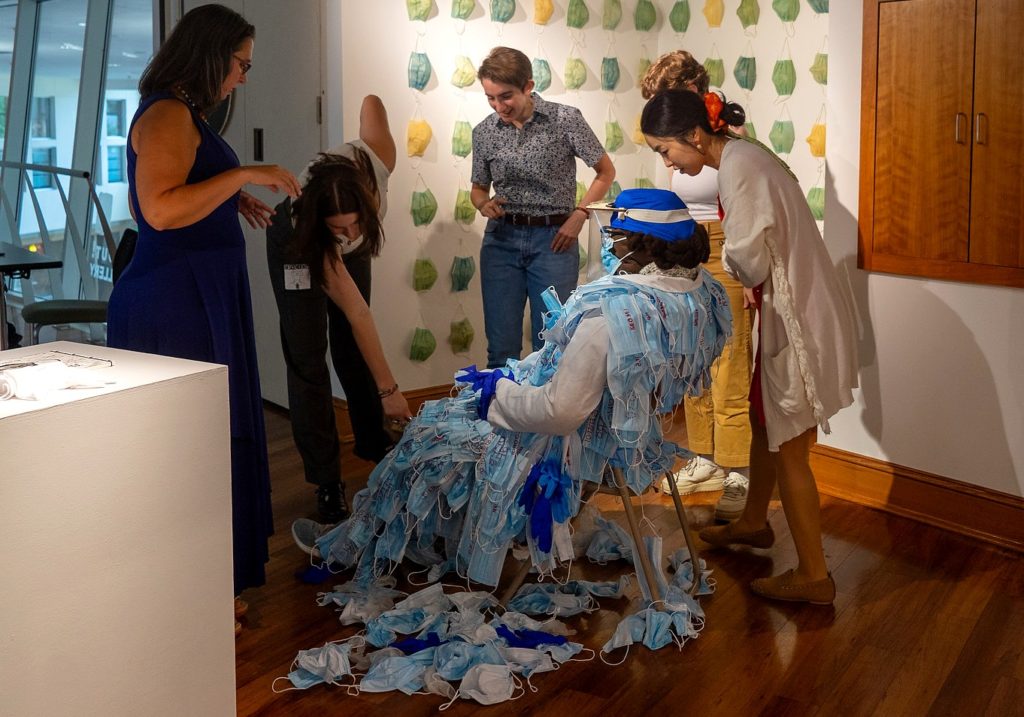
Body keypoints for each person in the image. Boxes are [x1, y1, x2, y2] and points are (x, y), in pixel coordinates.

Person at [292, 189, 731, 591]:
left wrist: (495, 396)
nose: (609, 243)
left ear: (642, 243)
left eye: (615, 235)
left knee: (425, 434)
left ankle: (353, 544)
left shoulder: (610, 312)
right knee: (444, 420)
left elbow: (561, 412)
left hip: (571, 445)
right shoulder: (701, 292)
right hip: (628, 433)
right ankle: (434, 538)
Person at [106, 4, 301, 625]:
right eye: (240, 64)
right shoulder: (166, 112)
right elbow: (159, 211)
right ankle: (187, 583)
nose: (242, 78)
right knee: (188, 444)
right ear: (213, 55)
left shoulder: (183, 113)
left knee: (208, 438)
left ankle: (208, 579)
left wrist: (228, 196)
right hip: (176, 299)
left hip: (199, 290)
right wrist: (244, 171)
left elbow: (185, 188)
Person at [641, 90, 858, 605]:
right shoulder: (745, 153)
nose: (666, 161)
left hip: (797, 316)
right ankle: (755, 521)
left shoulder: (738, 167)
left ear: (695, 135)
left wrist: (720, 271)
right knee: (766, 422)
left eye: (665, 150)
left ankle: (814, 576)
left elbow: (750, 262)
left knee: (792, 449)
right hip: (791, 308)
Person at [266, 94, 412, 524]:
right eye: (341, 229)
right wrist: (392, 391)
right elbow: (358, 311)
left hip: (336, 220)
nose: (349, 234)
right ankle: (326, 480)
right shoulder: (306, 224)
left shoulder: (377, 158)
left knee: (352, 347)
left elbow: (370, 103)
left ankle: (374, 442)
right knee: (307, 354)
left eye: (355, 225)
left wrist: (385, 393)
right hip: (298, 244)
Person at [641, 50, 754, 522]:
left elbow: (743, 202)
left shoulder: (731, 138)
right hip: (688, 243)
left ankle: (739, 471)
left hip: (727, 247)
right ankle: (705, 459)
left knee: (729, 362)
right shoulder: (676, 141)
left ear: (692, 90)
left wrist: (749, 274)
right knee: (693, 357)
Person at [471, 46, 616, 368]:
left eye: (505, 96)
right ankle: (503, 417)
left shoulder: (566, 119)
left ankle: (546, 418)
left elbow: (606, 172)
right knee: (500, 347)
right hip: (501, 240)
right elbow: (478, 189)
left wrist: (580, 215)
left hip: (554, 239)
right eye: (490, 98)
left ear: (528, 85)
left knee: (551, 344)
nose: (498, 106)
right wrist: (483, 205)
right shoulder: (484, 132)